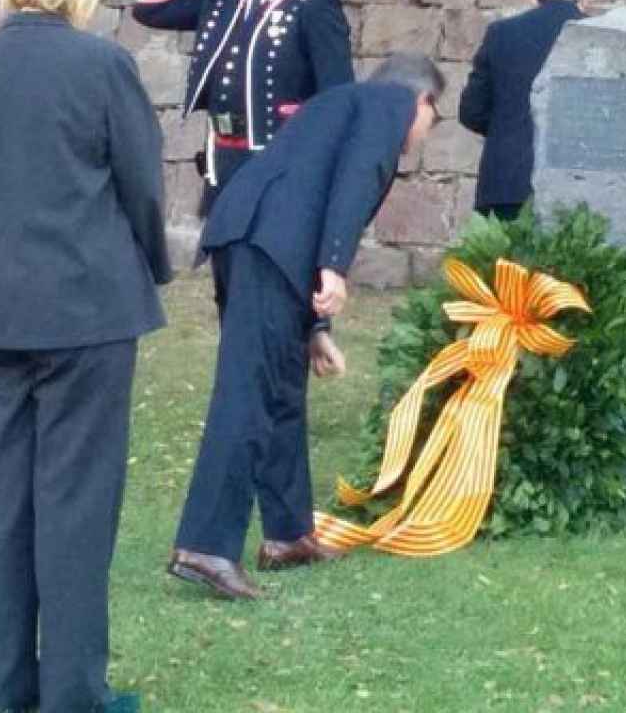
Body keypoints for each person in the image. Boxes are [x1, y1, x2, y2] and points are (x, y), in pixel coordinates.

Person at [0, 0, 168, 713]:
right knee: (75, 509)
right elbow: (143, 184)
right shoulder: (99, 64)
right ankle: (74, 691)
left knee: (2, 511)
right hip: (83, 310)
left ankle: (8, 687)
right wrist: (154, 262)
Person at [167, 53, 444, 601]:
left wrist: (315, 327)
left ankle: (287, 534)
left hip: (260, 240)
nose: (427, 132)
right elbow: (354, 184)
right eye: (434, 117)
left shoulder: (343, 105)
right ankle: (205, 545)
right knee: (248, 391)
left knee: (281, 388)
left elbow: (312, 192)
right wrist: (335, 268)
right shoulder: (388, 103)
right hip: (267, 245)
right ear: (422, 101)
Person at [131, 0, 356, 381]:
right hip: (224, 164)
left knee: (279, 280)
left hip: (281, 169)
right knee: (229, 283)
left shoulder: (313, 3)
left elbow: (339, 100)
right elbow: (148, 10)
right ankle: (238, 381)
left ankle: (282, 375)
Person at [459, 0, 589, 220]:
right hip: (576, 189)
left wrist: (506, 128)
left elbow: (472, 111)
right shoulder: (597, 35)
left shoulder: (501, 33)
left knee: (503, 262)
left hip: (506, 182)